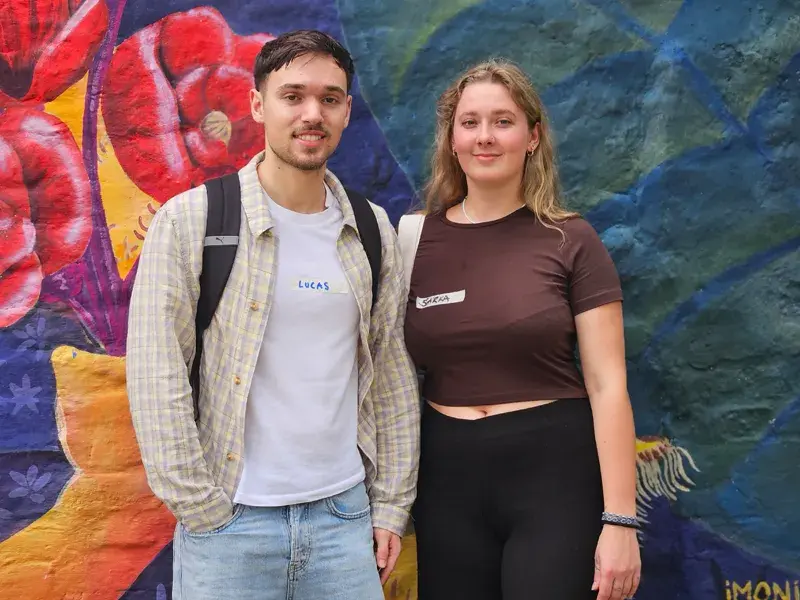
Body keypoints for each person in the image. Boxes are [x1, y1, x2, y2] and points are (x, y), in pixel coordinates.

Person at [126, 30, 420, 600]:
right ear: (258, 104)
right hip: (231, 525)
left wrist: (389, 505)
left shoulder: (371, 230)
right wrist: (202, 508)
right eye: (294, 96)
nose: (312, 113)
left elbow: (390, 376)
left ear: (345, 111)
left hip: (344, 522)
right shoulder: (192, 222)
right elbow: (155, 377)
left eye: (330, 99)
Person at [399, 59, 641, 600]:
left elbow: (608, 386)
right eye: (470, 122)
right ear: (452, 139)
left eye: (503, 122)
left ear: (533, 137)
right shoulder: (411, 242)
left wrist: (621, 522)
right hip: (447, 479)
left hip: (552, 474)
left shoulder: (571, 240)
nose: (485, 137)